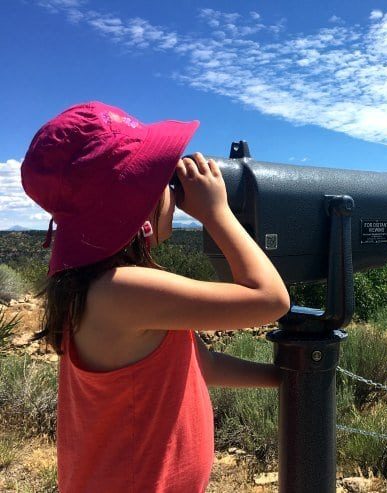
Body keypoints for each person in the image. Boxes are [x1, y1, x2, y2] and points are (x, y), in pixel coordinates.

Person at [20, 101, 290, 492]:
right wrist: (217, 212)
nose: (175, 196)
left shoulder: (105, 289)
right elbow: (269, 299)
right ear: (131, 207)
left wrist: (288, 378)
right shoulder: (121, 291)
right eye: (160, 181)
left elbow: (203, 366)